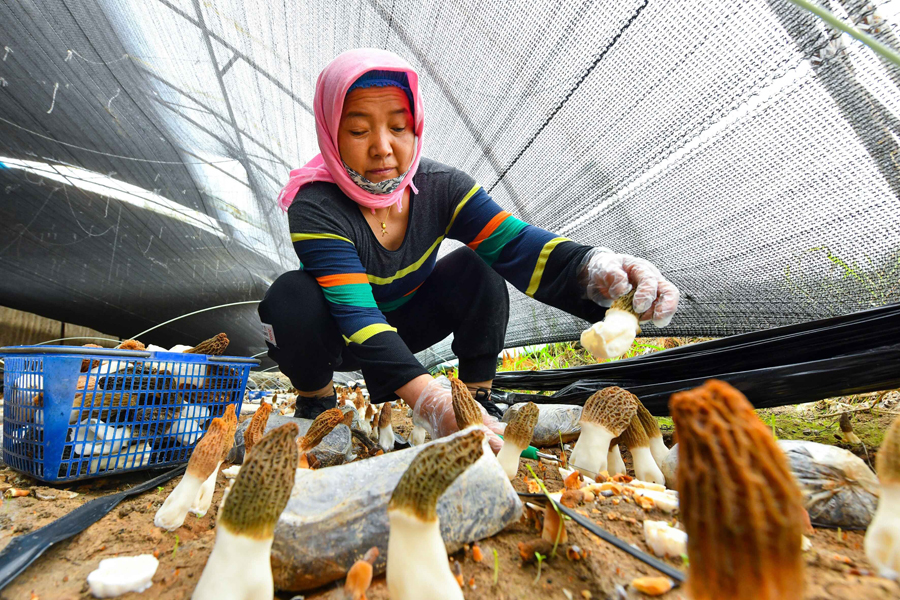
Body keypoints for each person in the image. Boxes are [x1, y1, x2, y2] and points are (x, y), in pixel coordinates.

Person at [259, 48, 679, 452]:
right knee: (292, 296)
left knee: (480, 265)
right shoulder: (315, 205)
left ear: (416, 126)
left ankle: (476, 397)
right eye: (357, 130)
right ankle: (316, 400)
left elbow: (518, 244)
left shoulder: (442, 187)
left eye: (399, 127)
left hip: (406, 323)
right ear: (331, 131)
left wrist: (595, 269)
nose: (383, 148)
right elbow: (357, 315)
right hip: (338, 336)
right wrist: (429, 400)